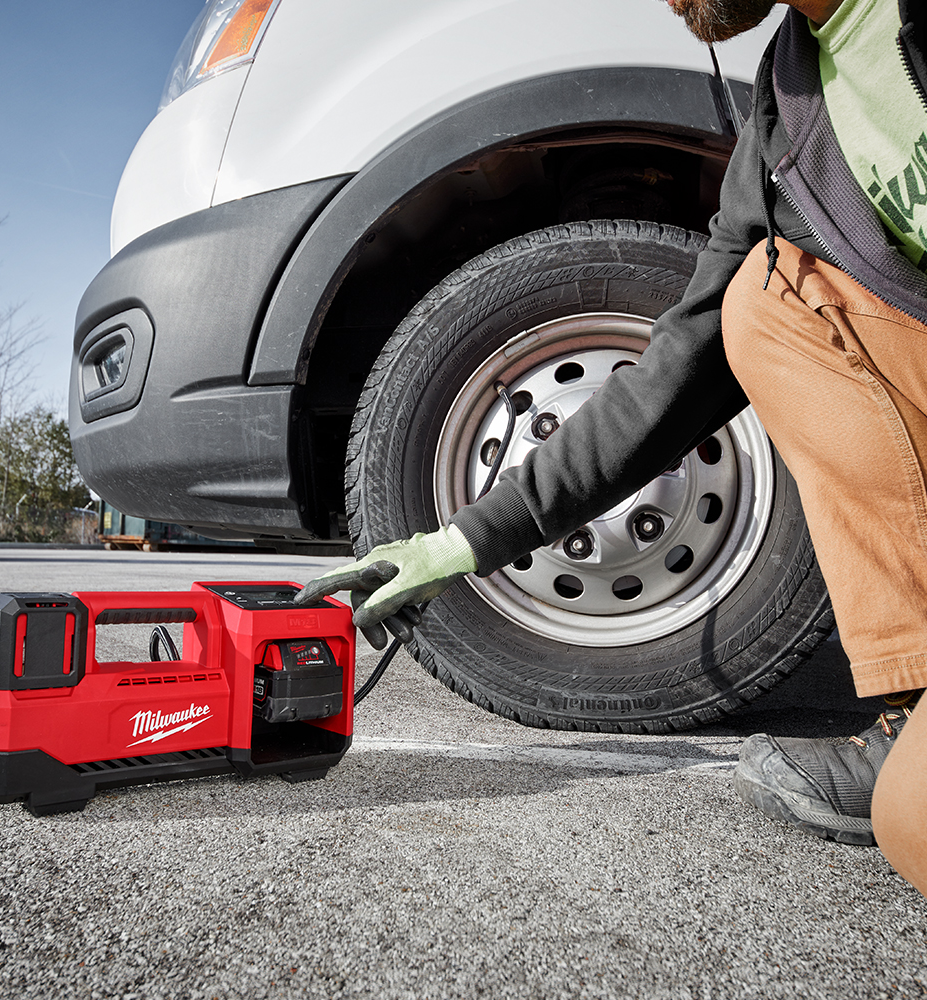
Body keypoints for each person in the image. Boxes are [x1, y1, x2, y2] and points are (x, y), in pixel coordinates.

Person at [297, 0, 927, 897]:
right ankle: (913, 703)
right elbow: (672, 374)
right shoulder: (791, 106)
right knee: (764, 302)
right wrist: (458, 543)